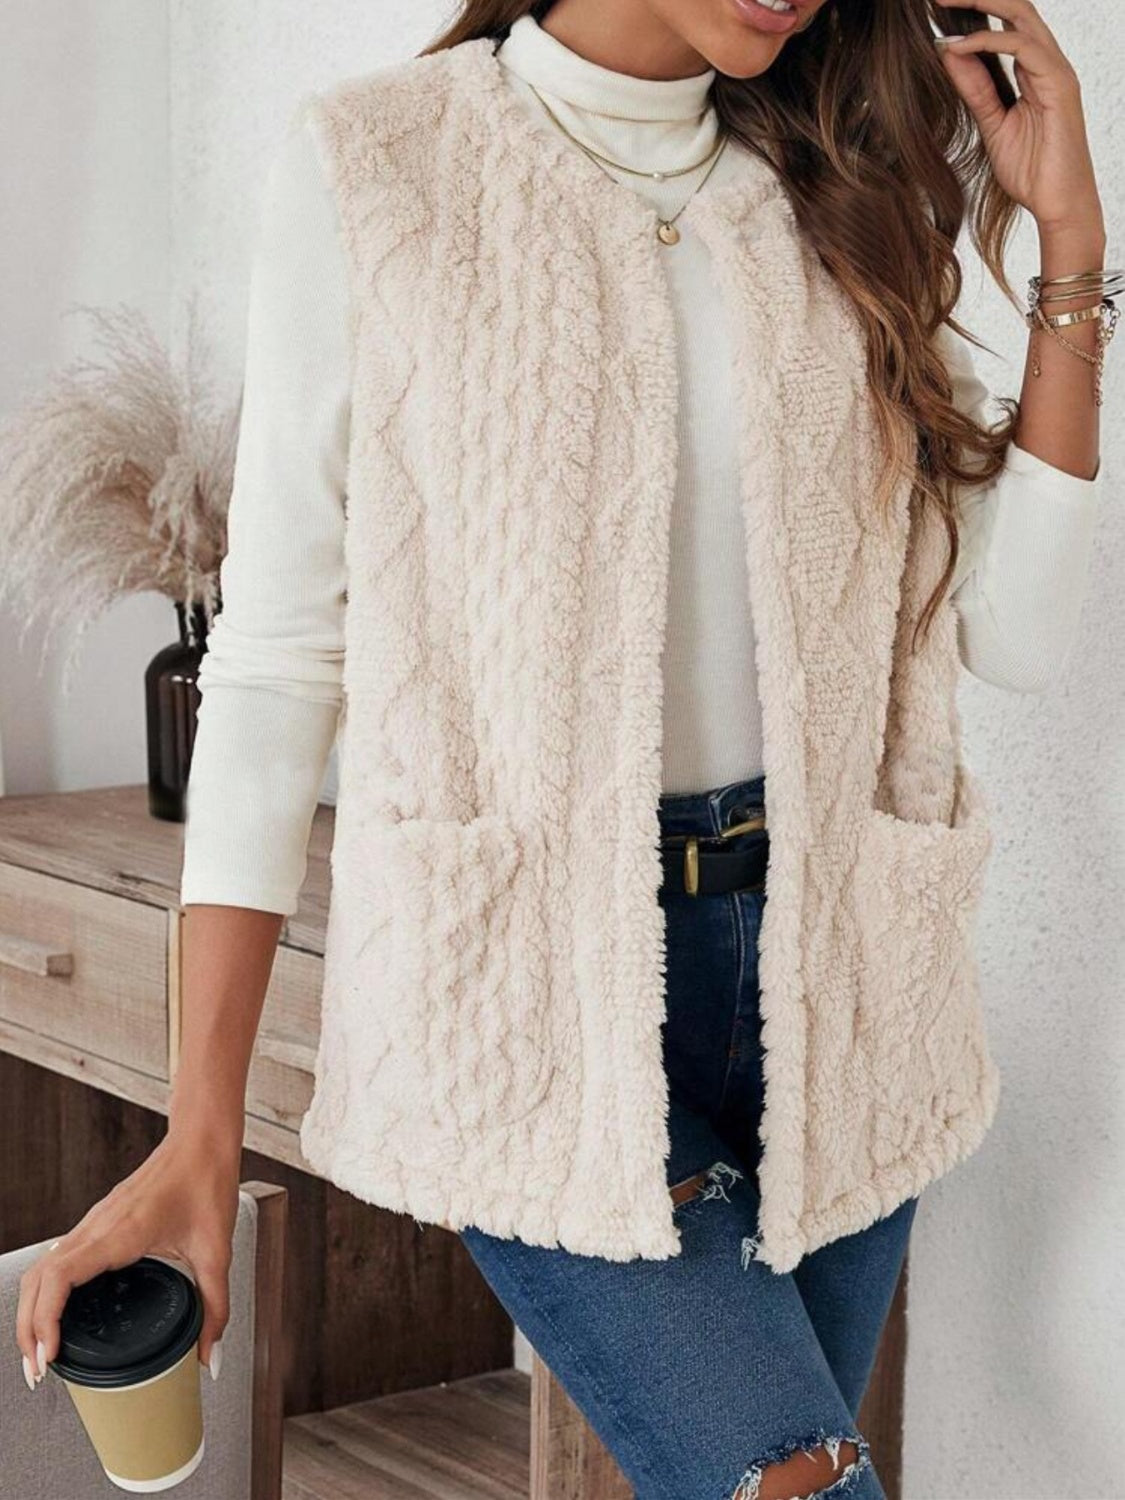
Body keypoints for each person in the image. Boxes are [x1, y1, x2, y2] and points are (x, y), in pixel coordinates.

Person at [17, 2, 1113, 1496]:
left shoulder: (839, 181)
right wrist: (197, 1129)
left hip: (843, 986)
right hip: (533, 1000)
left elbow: (1017, 634)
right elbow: (273, 663)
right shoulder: (382, 164)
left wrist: (1068, 248)